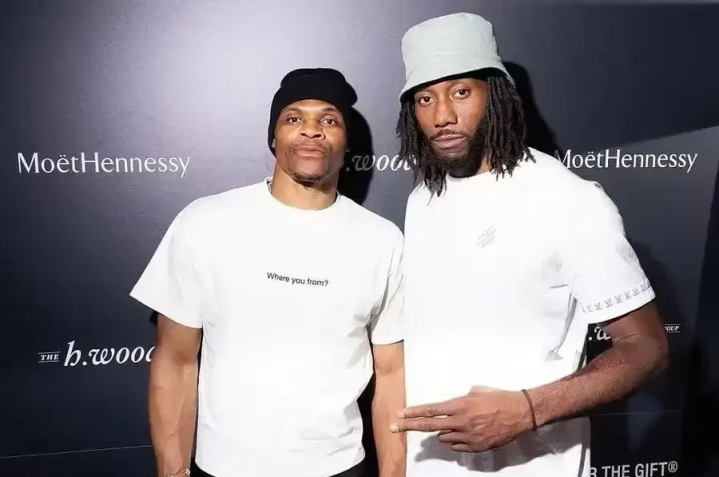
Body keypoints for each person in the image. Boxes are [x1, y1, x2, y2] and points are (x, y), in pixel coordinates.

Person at [389, 12, 669, 477]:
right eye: (425, 98)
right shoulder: (423, 198)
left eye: (461, 92)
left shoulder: (568, 199)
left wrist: (527, 410)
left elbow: (647, 348)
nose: (442, 116)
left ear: (496, 94)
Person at [130, 68, 406, 477]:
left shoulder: (383, 240)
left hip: (341, 467)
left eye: (329, 120)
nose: (311, 130)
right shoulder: (205, 222)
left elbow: (392, 373)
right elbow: (175, 361)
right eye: (294, 118)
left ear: (346, 142)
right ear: (273, 137)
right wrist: (172, 471)